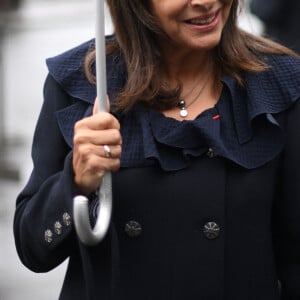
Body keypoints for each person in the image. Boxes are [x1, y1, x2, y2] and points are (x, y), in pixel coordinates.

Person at [13, 0, 300, 299]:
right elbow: (33, 249)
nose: (204, 2)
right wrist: (76, 181)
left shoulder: (278, 82)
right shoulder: (85, 82)